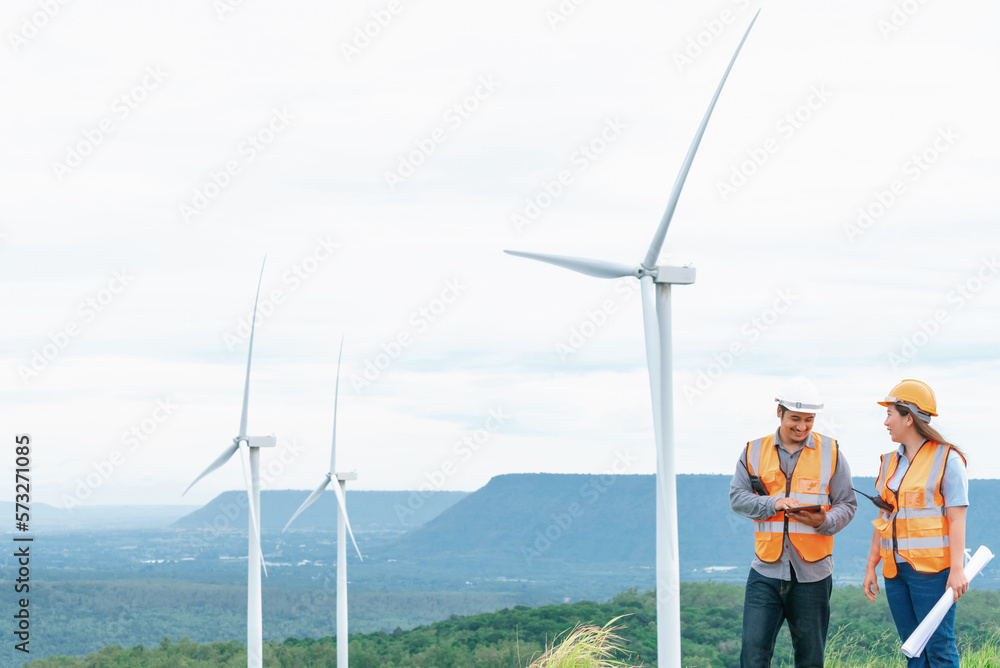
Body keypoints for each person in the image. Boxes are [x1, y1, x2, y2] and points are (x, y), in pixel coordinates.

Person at [730, 376, 858, 668]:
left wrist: (823, 520)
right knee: (752, 656)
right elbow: (737, 498)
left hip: (813, 574)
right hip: (766, 570)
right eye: (795, 419)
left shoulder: (831, 451)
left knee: (811, 659)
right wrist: (772, 503)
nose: (802, 427)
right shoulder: (753, 451)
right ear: (780, 412)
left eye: (809, 420)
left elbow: (847, 504)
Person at [862, 379, 968, 667]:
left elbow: (957, 519)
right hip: (895, 571)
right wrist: (872, 565)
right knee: (912, 649)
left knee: (939, 647)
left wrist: (957, 570)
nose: (886, 422)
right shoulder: (888, 462)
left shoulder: (948, 459)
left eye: (890, 414)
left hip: (933, 573)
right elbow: (884, 517)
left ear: (908, 417)